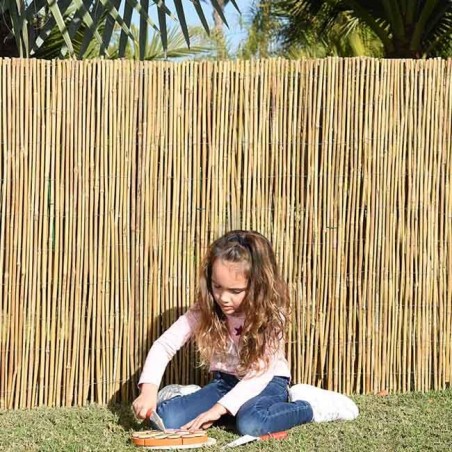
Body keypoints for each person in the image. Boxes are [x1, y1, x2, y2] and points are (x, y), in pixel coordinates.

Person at [132, 230, 358, 436]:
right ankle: (193, 397)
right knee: (167, 418)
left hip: (267, 382)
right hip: (225, 382)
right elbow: (164, 345)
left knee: (251, 424)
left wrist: (218, 409)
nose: (223, 298)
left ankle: (309, 406)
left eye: (235, 290)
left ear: (257, 285)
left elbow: (260, 373)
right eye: (217, 286)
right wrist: (149, 390)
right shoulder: (206, 308)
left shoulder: (271, 315)